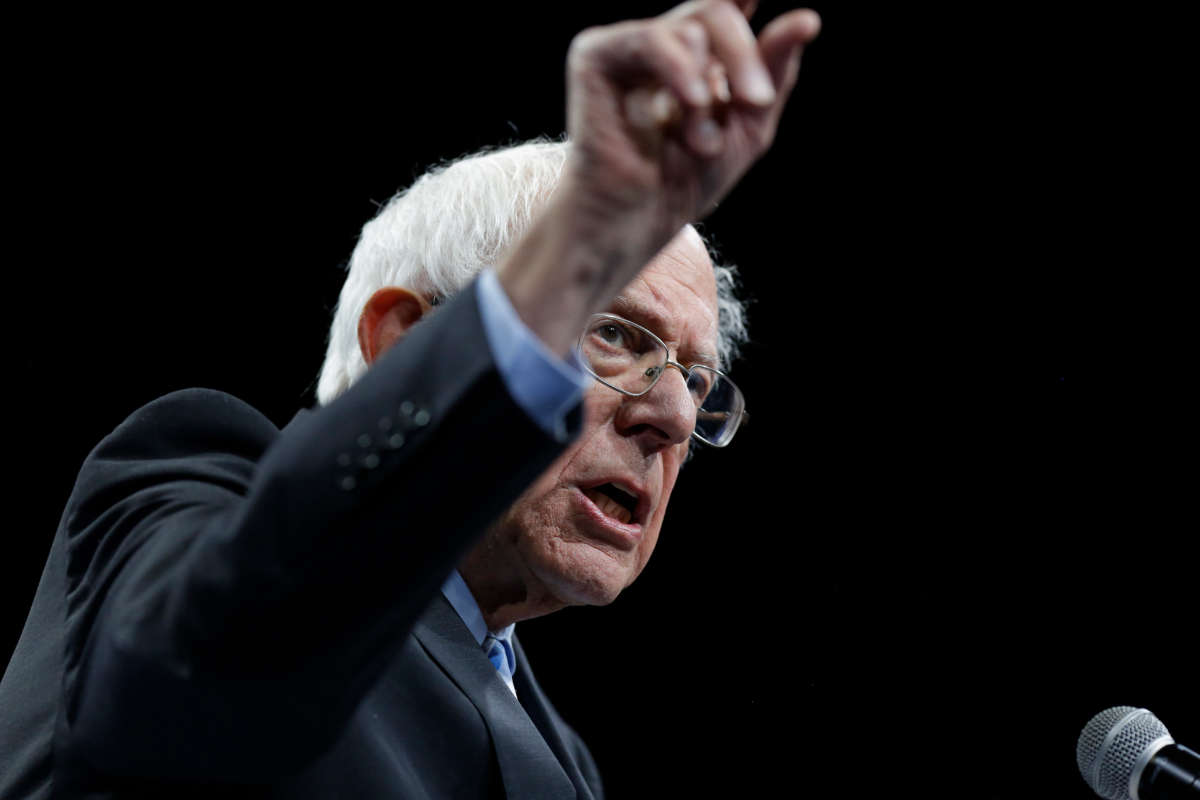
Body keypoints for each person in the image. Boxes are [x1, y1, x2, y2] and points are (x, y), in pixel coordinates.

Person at [0, 2, 820, 797]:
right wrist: (582, 237)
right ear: (403, 343)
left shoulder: (563, 757)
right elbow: (200, 685)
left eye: (695, 379)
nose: (673, 416)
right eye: (615, 334)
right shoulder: (190, 485)